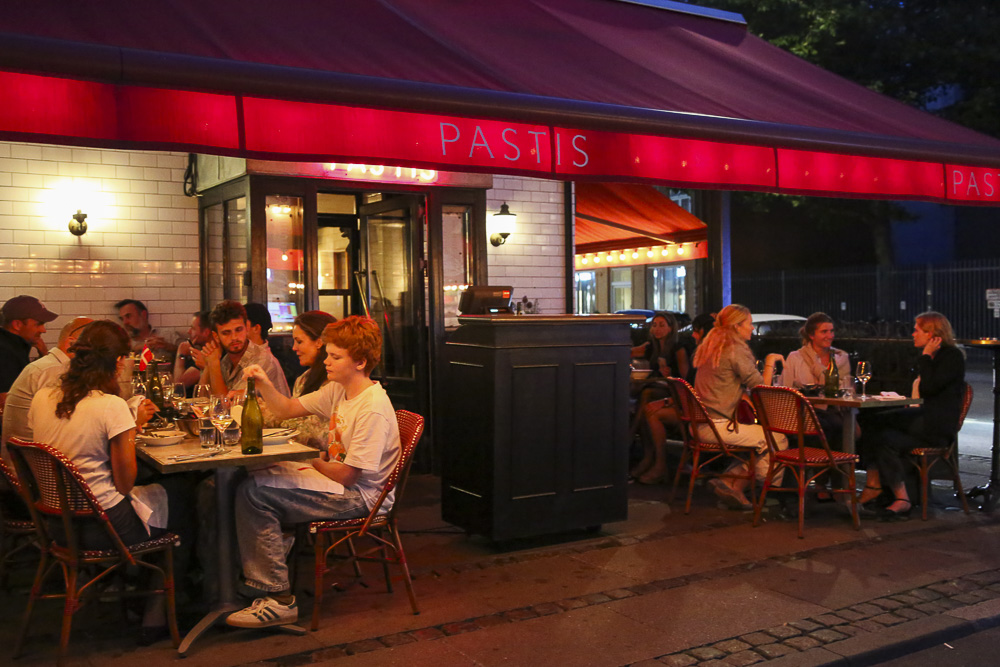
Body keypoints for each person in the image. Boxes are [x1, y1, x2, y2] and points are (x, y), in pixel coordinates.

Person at [227, 316, 400, 628]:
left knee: (255, 493)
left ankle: (278, 598)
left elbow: (348, 476)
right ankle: (253, 582)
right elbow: (287, 409)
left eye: (335, 357)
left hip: (362, 498)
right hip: (340, 482)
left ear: (360, 362)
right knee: (251, 477)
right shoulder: (339, 390)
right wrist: (263, 382)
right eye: (328, 354)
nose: (327, 361)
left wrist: (312, 460)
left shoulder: (372, 407)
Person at [26, 320, 190, 641]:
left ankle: (132, 586)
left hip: (56, 525)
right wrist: (128, 427)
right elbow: (125, 483)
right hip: (103, 528)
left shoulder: (42, 397)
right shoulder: (110, 406)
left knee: (164, 495)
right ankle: (157, 611)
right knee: (183, 500)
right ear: (118, 362)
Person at [857, 312, 965, 521]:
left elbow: (929, 388)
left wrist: (926, 356)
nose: (913, 334)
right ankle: (893, 494)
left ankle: (882, 489)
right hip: (924, 418)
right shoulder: (934, 356)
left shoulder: (951, 356)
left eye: (917, 330)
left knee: (877, 427)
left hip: (936, 424)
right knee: (875, 427)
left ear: (931, 333)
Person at [693, 304, 787, 510]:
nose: (752, 328)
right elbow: (762, 389)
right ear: (736, 326)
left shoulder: (712, 346)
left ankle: (731, 484)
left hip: (701, 423)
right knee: (777, 439)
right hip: (717, 426)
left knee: (759, 440)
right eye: (749, 324)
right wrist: (770, 361)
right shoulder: (735, 350)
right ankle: (757, 487)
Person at [2, 317, 92, 457]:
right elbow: (61, 430)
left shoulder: (48, 366)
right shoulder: (54, 371)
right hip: (33, 464)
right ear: (71, 343)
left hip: (25, 459)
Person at [261, 310, 337, 448]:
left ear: (319, 342)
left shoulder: (336, 383)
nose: (294, 348)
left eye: (299, 341)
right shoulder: (303, 379)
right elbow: (291, 417)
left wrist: (263, 407)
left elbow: (319, 434)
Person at [201, 300, 290, 397]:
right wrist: (209, 363)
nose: (234, 337)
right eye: (226, 333)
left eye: (238, 330)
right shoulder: (226, 361)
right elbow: (200, 397)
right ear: (216, 336)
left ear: (246, 328)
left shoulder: (262, 360)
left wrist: (213, 364)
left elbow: (226, 403)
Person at [0, 295, 58, 393]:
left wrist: (44, 355)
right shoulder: (5, 353)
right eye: (39, 324)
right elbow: (6, 399)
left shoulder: (14, 347)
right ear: (17, 325)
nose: (43, 330)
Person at [172, 310, 211, 390]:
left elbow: (178, 386)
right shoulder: (200, 350)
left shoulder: (207, 355)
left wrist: (181, 354)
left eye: (193, 328)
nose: (188, 331)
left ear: (206, 332)